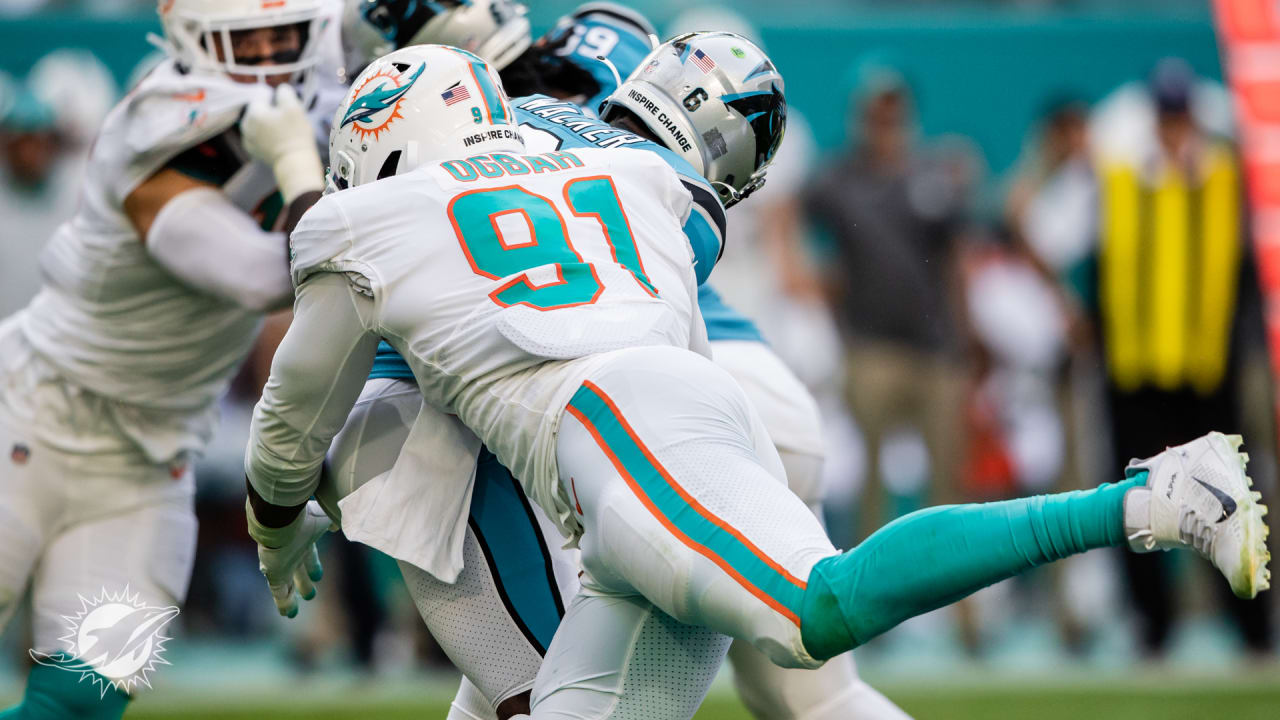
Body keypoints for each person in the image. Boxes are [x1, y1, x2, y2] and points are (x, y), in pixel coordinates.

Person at [246, 40, 1269, 720]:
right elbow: (677, 247)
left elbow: (292, 418)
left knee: (815, 611)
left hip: (621, 437)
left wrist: (276, 522)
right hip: (660, 428)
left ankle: (1151, 496)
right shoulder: (620, 166)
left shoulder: (360, 222)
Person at [334, 5, 907, 718]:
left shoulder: (469, 131)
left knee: (532, 684)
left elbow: (374, 294)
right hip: (744, 386)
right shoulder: (610, 86)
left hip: (631, 403)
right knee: (818, 698)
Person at [0, 1, 332, 717]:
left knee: (83, 702)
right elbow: (259, 273)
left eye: (287, 35)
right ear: (192, 42)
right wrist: (305, 168)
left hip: (150, 466)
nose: (274, 56)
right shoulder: (157, 122)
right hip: (28, 416)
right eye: (248, 40)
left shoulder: (323, 100)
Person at [1093, 58, 1275, 657]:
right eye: (1165, 117)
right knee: (1138, 501)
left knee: (1228, 499)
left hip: (1205, 370)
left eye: (1180, 117)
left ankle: (1250, 627)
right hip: (1137, 368)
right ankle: (1153, 628)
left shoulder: (1223, 175)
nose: (1173, 129)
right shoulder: (1122, 174)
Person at [803, 65, 974, 541]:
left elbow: (955, 260)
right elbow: (790, 222)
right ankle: (870, 602)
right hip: (870, 347)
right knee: (869, 483)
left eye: (893, 111)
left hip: (936, 349)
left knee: (948, 480)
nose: (884, 122)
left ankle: (960, 609)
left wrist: (967, 335)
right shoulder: (838, 179)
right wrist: (810, 282)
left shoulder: (934, 175)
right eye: (875, 112)